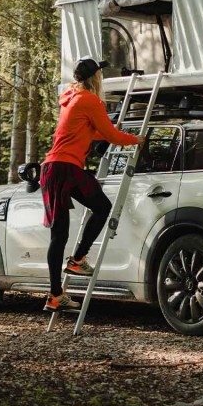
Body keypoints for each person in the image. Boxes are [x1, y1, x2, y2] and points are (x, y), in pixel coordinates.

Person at [40, 57, 144, 314]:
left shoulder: (71, 98)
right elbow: (110, 136)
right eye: (100, 73)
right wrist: (136, 139)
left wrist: (109, 128)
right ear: (95, 77)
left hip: (54, 169)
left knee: (60, 233)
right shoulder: (89, 99)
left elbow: (86, 130)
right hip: (65, 168)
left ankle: (57, 292)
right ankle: (76, 261)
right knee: (101, 208)